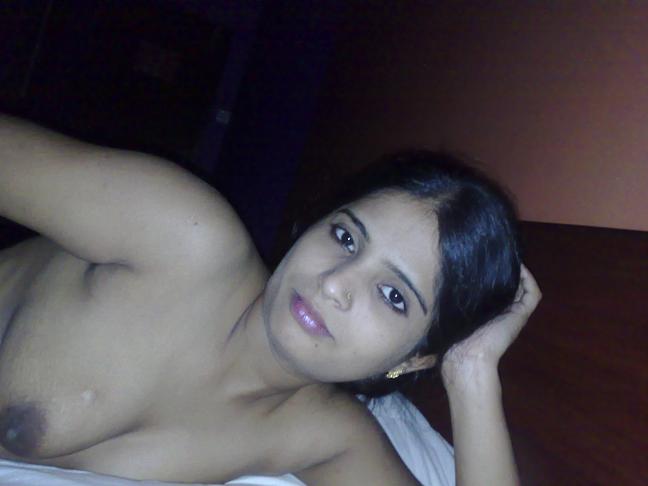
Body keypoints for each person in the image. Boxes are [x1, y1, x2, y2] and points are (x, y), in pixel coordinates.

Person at [0, 114, 541, 485]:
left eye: (393, 295)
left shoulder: (321, 435)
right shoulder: (180, 235)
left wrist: (471, 369)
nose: (335, 282)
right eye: (345, 237)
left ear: (415, 358)